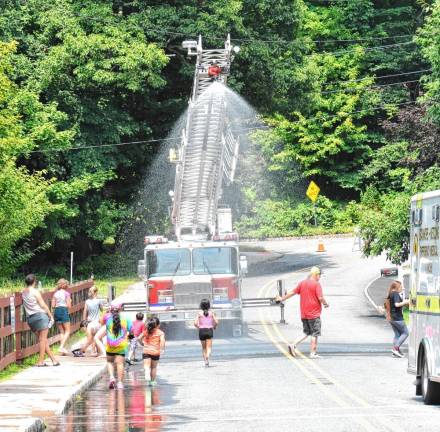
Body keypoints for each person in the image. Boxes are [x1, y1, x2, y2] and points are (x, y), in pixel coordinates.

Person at [276, 266, 329, 359]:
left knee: (306, 332)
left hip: (304, 314)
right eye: (319, 275)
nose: (319, 277)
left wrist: (282, 298)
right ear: (316, 275)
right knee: (315, 334)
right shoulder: (316, 284)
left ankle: (293, 345)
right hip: (314, 314)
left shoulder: (302, 283)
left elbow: (292, 292)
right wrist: (325, 304)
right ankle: (313, 353)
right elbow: (320, 298)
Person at [22, 274, 59, 367]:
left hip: (30, 319)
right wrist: (51, 316)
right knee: (43, 340)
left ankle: (53, 360)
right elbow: (42, 305)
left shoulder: (23, 292)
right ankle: (41, 361)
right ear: (34, 281)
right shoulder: (35, 291)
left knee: (42, 340)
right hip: (40, 316)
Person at [101, 302, 132, 389]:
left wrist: (106, 312)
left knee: (110, 362)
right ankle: (120, 383)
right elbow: (132, 331)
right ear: (120, 309)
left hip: (110, 345)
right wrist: (130, 336)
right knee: (120, 364)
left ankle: (111, 378)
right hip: (121, 345)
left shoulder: (107, 317)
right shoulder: (126, 319)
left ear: (110, 309)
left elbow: (100, 322)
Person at [79, 286, 106, 357]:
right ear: (96, 292)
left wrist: (84, 321)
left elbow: (85, 312)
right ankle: (98, 351)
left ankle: (93, 351)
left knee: (90, 338)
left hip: (89, 322)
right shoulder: (98, 301)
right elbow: (102, 309)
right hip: (97, 322)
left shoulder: (87, 301)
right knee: (98, 337)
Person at [139, 317, 165, 386]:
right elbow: (162, 341)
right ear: (158, 325)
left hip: (146, 351)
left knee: (146, 366)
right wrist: (162, 349)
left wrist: (142, 343)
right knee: (153, 367)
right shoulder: (160, 333)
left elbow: (139, 338)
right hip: (155, 352)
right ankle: (152, 381)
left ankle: (147, 371)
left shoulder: (146, 331)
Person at [387, 280, 409, 358]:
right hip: (397, 317)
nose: (402, 288)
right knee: (405, 333)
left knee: (397, 334)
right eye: (401, 286)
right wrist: (406, 302)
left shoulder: (390, 294)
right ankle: (395, 348)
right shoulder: (395, 293)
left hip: (391, 317)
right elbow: (396, 305)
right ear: (397, 287)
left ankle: (395, 351)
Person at [194, 299, 218, 366]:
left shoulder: (199, 313)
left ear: (201, 305)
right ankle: (207, 356)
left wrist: (199, 327)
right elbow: (216, 322)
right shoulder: (211, 313)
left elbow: (195, 323)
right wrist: (214, 327)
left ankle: (206, 362)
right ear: (209, 305)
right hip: (209, 330)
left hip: (201, 331)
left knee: (204, 348)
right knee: (209, 348)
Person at [51, 278, 72, 355]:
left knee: (62, 331)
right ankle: (61, 346)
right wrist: (70, 301)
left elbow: (53, 305)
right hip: (63, 311)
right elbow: (69, 306)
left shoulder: (55, 294)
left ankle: (62, 349)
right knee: (68, 331)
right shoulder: (66, 294)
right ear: (65, 285)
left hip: (57, 311)